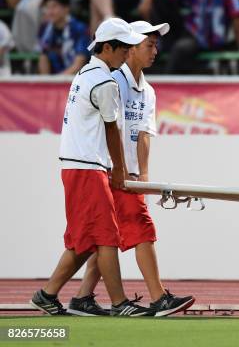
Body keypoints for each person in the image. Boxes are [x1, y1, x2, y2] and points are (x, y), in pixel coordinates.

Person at [67, 21, 196, 317]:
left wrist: (144, 177)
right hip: (111, 171)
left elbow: (144, 134)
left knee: (102, 237)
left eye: (155, 45)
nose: (155, 50)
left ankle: (81, 296)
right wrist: (120, 171)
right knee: (140, 229)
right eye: (147, 45)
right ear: (130, 49)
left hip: (126, 174)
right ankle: (158, 296)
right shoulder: (113, 81)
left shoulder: (147, 91)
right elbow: (109, 129)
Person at [29, 17, 153, 317]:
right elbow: (112, 131)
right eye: (123, 47)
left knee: (84, 240)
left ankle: (46, 295)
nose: (127, 53)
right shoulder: (105, 82)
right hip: (88, 167)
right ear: (107, 47)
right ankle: (120, 303)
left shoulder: (85, 74)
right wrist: (121, 171)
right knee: (106, 237)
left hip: (77, 165)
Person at [38, 0, 89, 75]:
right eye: (47, 7)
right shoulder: (45, 30)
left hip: (78, 81)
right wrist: (46, 83)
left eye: (54, 6)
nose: (50, 12)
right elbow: (43, 57)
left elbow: (78, 65)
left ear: (66, 8)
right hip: (54, 82)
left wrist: (57, 83)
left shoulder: (79, 29)